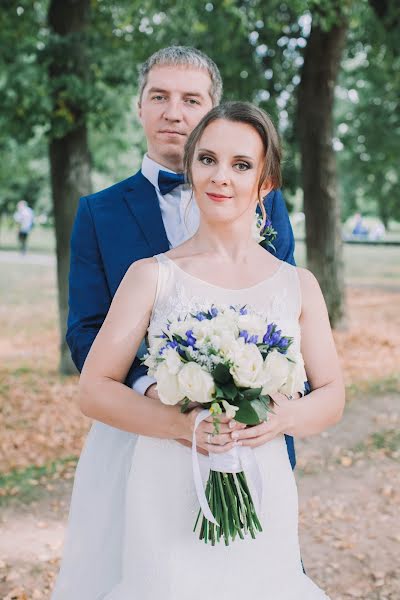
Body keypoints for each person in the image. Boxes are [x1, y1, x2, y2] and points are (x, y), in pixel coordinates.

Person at [60, 102, 344, 598]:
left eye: (241, 165)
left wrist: (282, 419)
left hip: (263, 481)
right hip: (167, 481)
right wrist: (182, 426)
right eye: (207, 159)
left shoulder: (298, 285)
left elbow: (333, 394)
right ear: (190, 168)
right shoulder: (151, 275)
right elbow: (93, 391)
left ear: (266, 182)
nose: (221, 177)